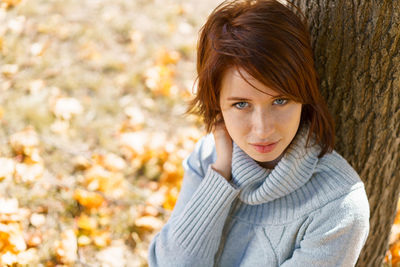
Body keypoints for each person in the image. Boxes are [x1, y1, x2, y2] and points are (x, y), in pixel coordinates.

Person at [148, 0, 370, 266]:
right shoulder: (207, 158)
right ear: (216, 103)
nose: (263, 129)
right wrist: (220, 174)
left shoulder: (336, 206)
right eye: (241, 104)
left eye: (280, 101)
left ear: (304, 95)